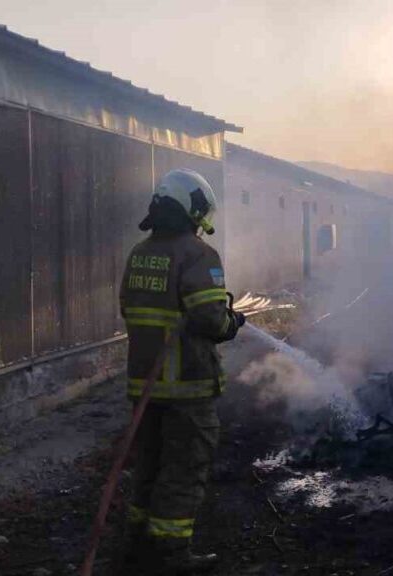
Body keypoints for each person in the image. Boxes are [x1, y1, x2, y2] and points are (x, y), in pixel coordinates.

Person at [119, 169, 245, 573]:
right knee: (184, 468)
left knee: (149, 465)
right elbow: (210, 320)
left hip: (145, 385)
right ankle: (170, 555)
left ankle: (139, 545)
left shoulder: (140, 252)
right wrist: (232, 325)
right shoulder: (197, 255)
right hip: (187, 386)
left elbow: (130, 308)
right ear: (193, 211)